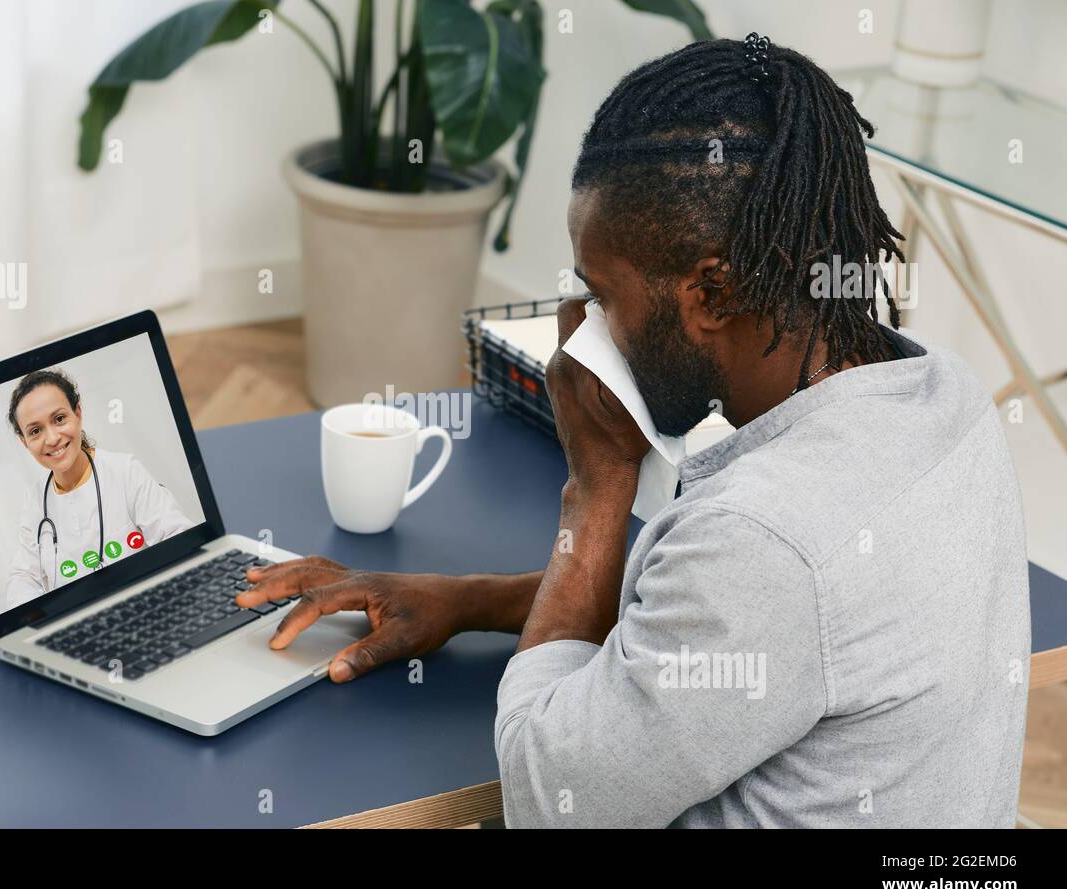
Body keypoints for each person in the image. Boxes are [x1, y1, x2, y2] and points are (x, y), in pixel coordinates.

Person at [233, 36, 1030, 828]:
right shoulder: (946, 396)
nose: (580, 325)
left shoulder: (760, 539)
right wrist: (467, 600)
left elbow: (546, 798)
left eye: (602, 296)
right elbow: (726, 630)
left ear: (712, 294)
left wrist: (597, 488)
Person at [5, 368, 195, 607]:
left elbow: (178, 538)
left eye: (59, 419)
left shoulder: (125, 471)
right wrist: (41, 618)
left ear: (78, 413)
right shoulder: (35, 502)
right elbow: (23, 578)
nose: (52, 438)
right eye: (35, 431)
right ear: (24, 442)